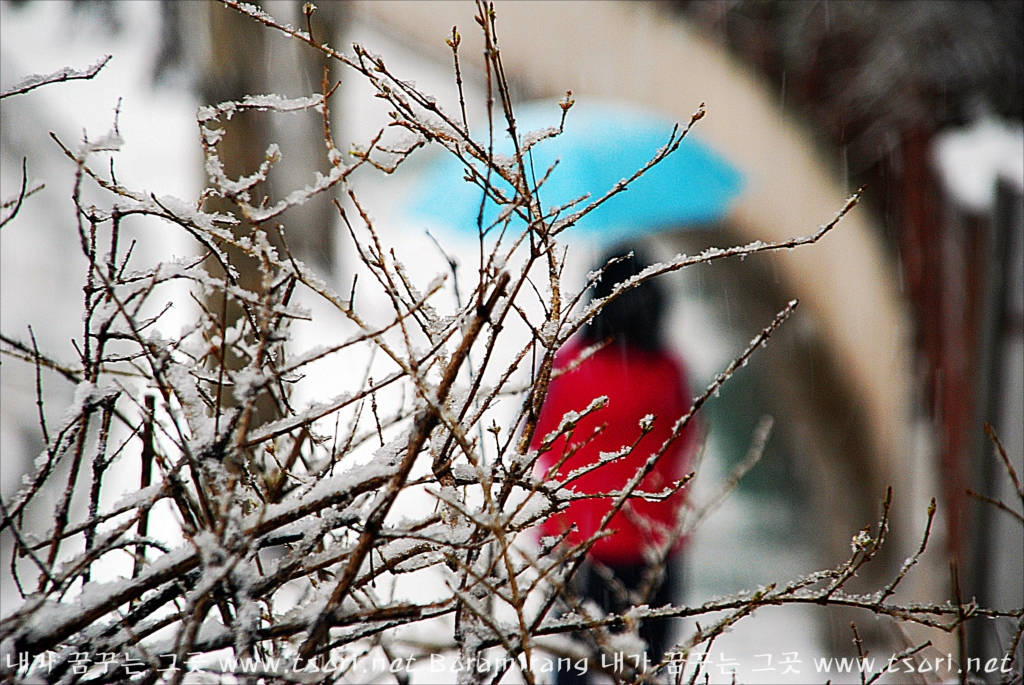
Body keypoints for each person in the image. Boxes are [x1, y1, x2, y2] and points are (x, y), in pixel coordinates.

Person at [531, 246, 698, 681]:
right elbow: (685, 442)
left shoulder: (568, 367)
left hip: (578, 541)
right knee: (645, 666)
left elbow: (537, 440)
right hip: (652, 543)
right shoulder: (669, 372)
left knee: (571, 664)